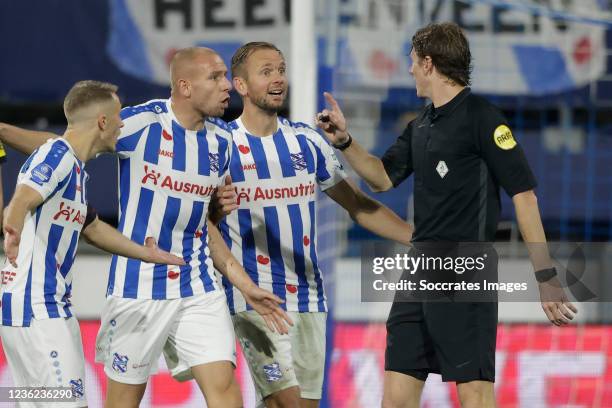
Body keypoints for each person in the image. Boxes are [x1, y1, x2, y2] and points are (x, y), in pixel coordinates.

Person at [0, 47, 292, 408]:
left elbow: (202, 225)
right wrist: (3, 134)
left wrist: (244, 283)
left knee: (225, 392)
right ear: (185, 86)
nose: (226, 86)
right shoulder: (139, 123)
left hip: (195, 282)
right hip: (136, 290)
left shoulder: (223, 142)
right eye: (214, 77)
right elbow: (68, 145)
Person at [315, 22, 578, 408]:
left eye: (411, 62)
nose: (408, 71)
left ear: (428, 62)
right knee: (397, 394)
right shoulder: (421, 124)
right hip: (419, 270)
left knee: (474, 393)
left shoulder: (484, 118)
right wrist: (345, 142)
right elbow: (382, 178)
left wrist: (546, 277)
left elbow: (525, 197)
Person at [220, 41, 413, 408]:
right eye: (266, 72)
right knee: (286, 402)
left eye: (280, 70)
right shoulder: (221, 145)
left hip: (309, 297)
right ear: (241, 86)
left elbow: (357, 205)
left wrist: (420, 241)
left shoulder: (307, 142)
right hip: (255, 298)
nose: (278, 79)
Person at [0, 80, 186, 408]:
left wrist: (146, 253)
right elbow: (24, 196)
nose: (122, 124)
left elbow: (93, 228)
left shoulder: (73, 169)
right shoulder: (56, 154)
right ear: (102, 122)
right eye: (117, 116)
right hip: (38, 310)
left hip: (38, 308)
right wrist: (12, 223)